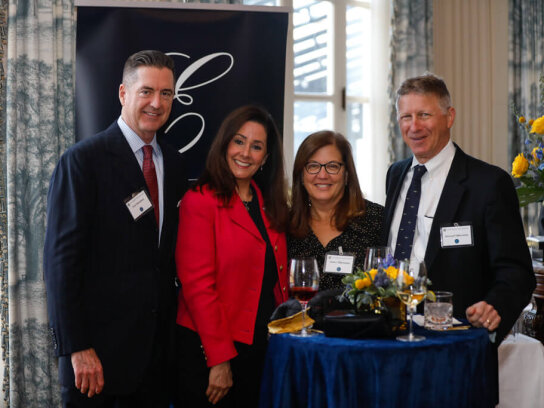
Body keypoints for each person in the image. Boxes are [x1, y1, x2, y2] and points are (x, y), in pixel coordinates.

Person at [43, 50, 188, 407]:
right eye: (146, 91)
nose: (157, 103)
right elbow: (60, 265)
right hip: (96, 364)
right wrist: (77, 347)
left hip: (155, 365)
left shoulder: (174, 162)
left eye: (166, 94)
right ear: (124, 93)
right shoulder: (82, 161)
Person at [384, 73, 536, 344]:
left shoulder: (489, 184)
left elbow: (516, 273)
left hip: (457, 344)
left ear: (449, 117)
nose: (414, 126)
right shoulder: (395, 175)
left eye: (424, 115)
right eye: (406, 117)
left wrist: (494, 308)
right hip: (391, 338)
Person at [174, 105, 289, 407]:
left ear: (265, 158)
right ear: (225, 144)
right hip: (211, 352)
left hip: (258, 349)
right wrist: (219, 360)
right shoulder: (199, 202)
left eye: (256, 146)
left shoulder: (268, 205)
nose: (245, 153)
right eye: (239, 141)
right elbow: (198, 288)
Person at [288, 130, 384, 291]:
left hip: (362, 317)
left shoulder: (377, 219)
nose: (323, 175)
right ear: (301, 175)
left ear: (346, 174)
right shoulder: (285, 227)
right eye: (313, 166)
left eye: (332, 166)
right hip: (299, 316)